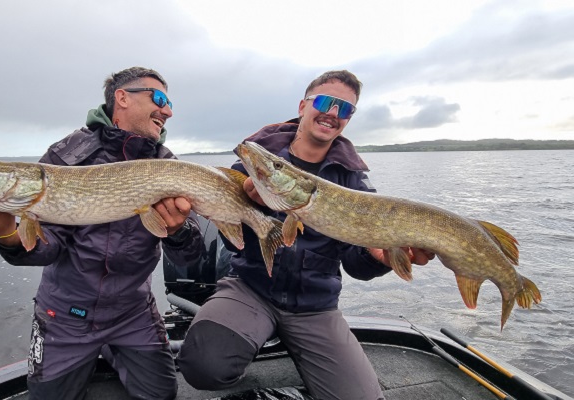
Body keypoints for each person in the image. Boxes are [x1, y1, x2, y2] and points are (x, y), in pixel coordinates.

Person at [177, 70, 435, 400]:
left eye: (345, 109)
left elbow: (356, 264)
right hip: (251, 289)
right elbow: (231, 240)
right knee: (202, 365)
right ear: (303, 105)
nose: (332, 113)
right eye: (326, 102)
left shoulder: (353, 182)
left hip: (315, 305)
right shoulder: (259, 163)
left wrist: (381, 258)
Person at [0, 66, 204, 400]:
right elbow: (49, 247)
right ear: (122, 98)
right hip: (65, 313)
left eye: (169, 101)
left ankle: (113, 349)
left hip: (133, 311)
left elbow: (190, 255)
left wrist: (176, 232)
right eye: (159, 98)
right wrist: (6, 234)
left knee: (161, 394)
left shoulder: (168, 165)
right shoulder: (66, 156)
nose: (168, 110)